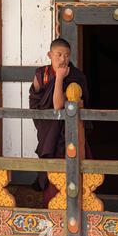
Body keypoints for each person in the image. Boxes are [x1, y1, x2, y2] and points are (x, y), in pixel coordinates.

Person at [29, 38, 91, 207]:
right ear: (50, 55)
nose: (63, 59)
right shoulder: (41, 74)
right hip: (48, 133)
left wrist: (59, 78)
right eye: (59, 55)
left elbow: (58, 105)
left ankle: (72, 209)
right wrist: (57, 78)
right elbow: (35, 104)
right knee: (51, 174)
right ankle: (52, 211)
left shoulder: (76, 76)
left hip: (67, 135)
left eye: (66, 55)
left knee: (70, 171)